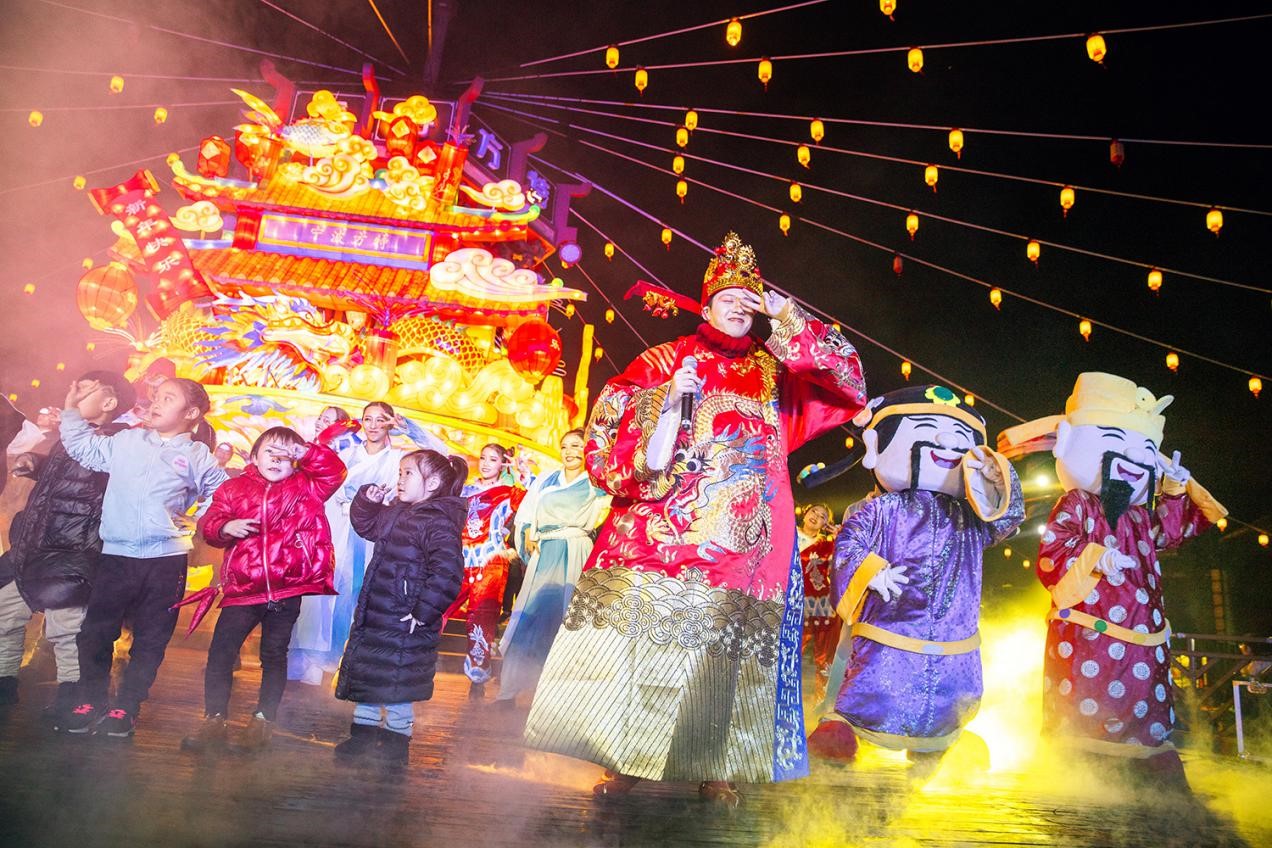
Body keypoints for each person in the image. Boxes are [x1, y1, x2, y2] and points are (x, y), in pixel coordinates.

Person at [523, 232, 867, 805]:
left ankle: (718, 768)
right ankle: (624, 760)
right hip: (658, 540)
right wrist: (665, 403)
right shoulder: (663, 360)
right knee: (640, 650)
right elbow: (608, 428)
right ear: (705, 308)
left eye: (749, 299)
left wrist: (789, 318)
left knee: (723, 662)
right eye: (726, 297)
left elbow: (849, 386)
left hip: (747, 548)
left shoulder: (774, 373)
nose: (738, 306)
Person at [998, 372, 1227, 790]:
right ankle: (1080, 774)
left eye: (1146, 451)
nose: (1134, 458)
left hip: (1144, 641)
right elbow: (1053, 554)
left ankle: (1149, 764)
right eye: (1115, 441)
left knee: (1145, 710)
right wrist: (1096, 557)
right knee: (1087, 710)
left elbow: (1169, 534)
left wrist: (1174, 492)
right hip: (1090, 637)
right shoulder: (1077, 503)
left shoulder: (1140, 515)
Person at [807, 386, 1024, 771]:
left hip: (953, 639)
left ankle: (941, 740)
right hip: (891, 628)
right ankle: (843, 726)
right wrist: (870, 571)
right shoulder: (883, 508)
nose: (946, 442)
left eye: (960, 438)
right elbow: (850, 543)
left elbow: (1004, 522)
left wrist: (997, 483)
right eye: (926, 429)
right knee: (874, 684)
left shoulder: (968, 515)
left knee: (949, 695)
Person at [59, 376, 228, 737]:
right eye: (156, 396)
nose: (156, 403)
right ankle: (90, 700)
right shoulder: (127, 441)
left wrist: (198, 519)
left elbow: (223, 492)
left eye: (168, 398)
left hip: (165, 559)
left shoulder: (196, 455)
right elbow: (84, 448)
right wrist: (71, 411)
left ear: (191, 413)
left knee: (151, 638)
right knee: (95, 632)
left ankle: (126, 706)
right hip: (116, 554)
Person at [181, 426, 345, 753]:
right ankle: (214, 719)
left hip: (287, 588)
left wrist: (306, 453)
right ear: (254, 456)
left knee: (273, 654)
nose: (277, 459)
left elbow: (334, 471)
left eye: (287, 454)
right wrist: (225, 527)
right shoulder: (234, 488)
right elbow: (209, 525)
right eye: (270, 451)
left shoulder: (307, 486)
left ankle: (262, 721)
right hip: (244, 587)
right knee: (221, 652)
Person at [0, 371, 134, 722]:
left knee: (67, 628)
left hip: (73, 551)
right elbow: (63, 476)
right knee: (5, 612)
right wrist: (36, 464)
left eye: (85, 391)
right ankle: (4, 682)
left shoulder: (118, 443)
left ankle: (74, 695)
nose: (73, 394)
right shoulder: (69, 438)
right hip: (33, 545)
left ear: (109, 403)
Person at [288, 401, 447, 684]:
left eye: (380, 419)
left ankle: (346, 663)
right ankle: (310, 662)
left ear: (389, 423)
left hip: (373, 534)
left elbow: (442, 457)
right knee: (321, 594)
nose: (373, 425)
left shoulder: (399, 459)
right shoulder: (346, 454)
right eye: (368, 419)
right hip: (335, 528)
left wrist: (410, 429)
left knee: (358, 595)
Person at [333, 449, 468, 769]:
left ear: (432, 483)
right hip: (378, 611)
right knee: (370, 675)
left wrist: (423, 612)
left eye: (409, 473)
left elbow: (447, 572)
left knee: (398, 685)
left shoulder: (438, 522)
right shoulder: (395, 512)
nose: (401, 479)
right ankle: (362, 736)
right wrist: (367, 501)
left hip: (408, 619)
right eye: (400, 473)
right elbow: (367, 526)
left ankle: (396, 742)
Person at [495, 429, 609, 707]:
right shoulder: (547, 478)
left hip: (575, 549)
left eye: (577, 446)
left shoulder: (597, 481)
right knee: (530, 617)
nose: (570, 452)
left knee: (567, 619)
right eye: (565, 446)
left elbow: (609, 512)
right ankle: (509, 690)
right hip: (544, 552)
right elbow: (527, 512)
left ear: (588, 449)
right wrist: (528, 531)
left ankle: (560, 697)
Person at [448, 443, 524, 698]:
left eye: (493, 459)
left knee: (481, 618)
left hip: (490, 561)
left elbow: (531, 500)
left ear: (503, 463)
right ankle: (416, 661)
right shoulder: (465, 490)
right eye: (483, 457)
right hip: (459, 558)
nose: (486, 463)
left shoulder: (508, 492)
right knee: (437, 606)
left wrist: (522, 473)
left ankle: (477, 678)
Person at [797, 503, 838, 702]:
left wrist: (839, 534)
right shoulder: (787, 533)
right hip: (788, 600)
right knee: (789, 649)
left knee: (823, 654)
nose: (816, 516)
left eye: (823, 516)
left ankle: (821, 700)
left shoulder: (826, 546)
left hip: (817, 603)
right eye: (814, 511)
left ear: (825, 524)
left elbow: (846, 555)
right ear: (806, 512)